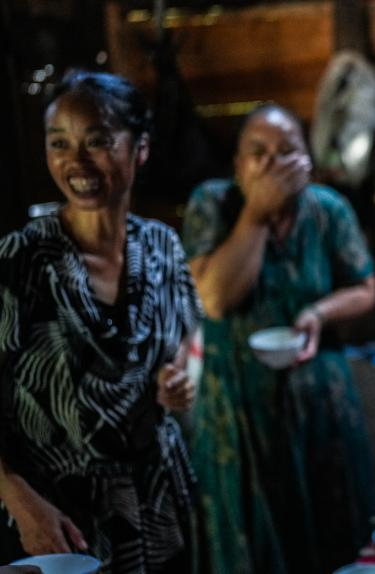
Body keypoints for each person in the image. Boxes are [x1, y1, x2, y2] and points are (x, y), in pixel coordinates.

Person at [0, 70, 202, 572]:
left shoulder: (162, 246)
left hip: (158, 506)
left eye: (98, 141)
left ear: (141, 148)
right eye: (59, 143)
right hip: (55, 518)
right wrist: (17, 499)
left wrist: (182, 378)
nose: (76, 161)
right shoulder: (21, 261)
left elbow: (188, 343)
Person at [181, 103, 375, 573]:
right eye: (259, 153)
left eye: (287, 150)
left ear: (307, 159)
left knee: (332, 541)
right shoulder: (214, 204)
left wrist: (318, 312)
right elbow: (215, 299)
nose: (273, 163)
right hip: (238, 412)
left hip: (321, 408)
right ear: (237, 164)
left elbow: (365, 288)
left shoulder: (327, 210)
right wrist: (256, 214)